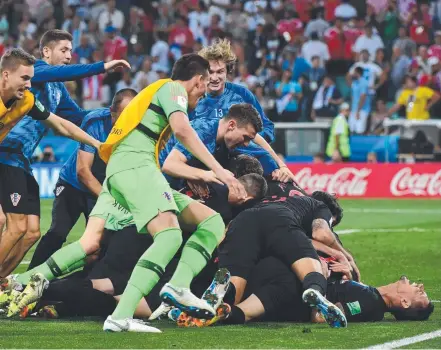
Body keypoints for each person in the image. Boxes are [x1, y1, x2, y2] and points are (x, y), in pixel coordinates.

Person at [4, 54, 245, 333]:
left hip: (121, 171)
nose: (203, 95)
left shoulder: (153, 96)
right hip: (135, 167)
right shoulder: (174, 88)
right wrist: (220, 171)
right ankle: (128, 311)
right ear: (199, 80)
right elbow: (182, 131)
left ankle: (18, 283)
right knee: (168, 235)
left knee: (209, 221)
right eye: (203, 87)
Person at [0, 29, 130, 277]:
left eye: (71, 50)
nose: (69, 55)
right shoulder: (36, 72)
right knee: (11, 225)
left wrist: (114, 116)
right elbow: (62, 73)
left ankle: (5, 283)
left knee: (32, 233)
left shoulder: (56, 91)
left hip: (22, 161)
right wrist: (102, 66)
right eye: (64, 50)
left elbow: (76, 119)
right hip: (6, 157)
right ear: (46, 51)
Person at [28, 89, 138, 269]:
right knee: (57, 233)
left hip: (104, 189)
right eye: (122, 116)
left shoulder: (140, 126)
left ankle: (86, 289)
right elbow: (83, 172)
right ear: (111, 111)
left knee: (97, 245)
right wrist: (111, 200)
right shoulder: (95, 121)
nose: (127, 122)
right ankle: (26, 283)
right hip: (74, 184)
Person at [216, 194, 354, 328]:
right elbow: (321, 233)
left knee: (233, 295)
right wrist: (342, 254)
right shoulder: (320, 206)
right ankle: (315, 291)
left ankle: (221, 300)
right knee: (311, 270)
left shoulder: (278, 198)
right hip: (279, 220)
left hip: (243, 221)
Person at [194, 39, 293, 182]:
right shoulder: (194, 97)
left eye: (220, 71)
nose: (215, 77)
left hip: (246, 161)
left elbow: (266, 126)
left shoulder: (241, 94)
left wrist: (245, 139)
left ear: (228, 70)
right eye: (210, 72)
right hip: (206, 163)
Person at [159, 103, 263, 191]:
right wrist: (206, 175)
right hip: (157, 186)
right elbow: (169, 165)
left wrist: (191, 176)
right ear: (231, 125)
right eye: (245, 137)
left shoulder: (224, 142)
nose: (246, 144)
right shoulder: (203, 130)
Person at [349, 66, 370, 134]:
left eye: (354, 72)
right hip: (353, 109)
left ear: (357, 73)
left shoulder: (364, 82)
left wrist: (358, 111)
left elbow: (363, 97)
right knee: (351, 129)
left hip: (362, 110)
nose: (352, 74)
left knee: (359, 130)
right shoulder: (354, 83)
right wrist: (351, 109)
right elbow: (353, 96)